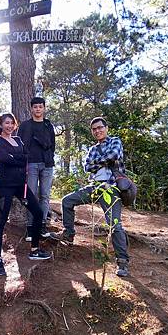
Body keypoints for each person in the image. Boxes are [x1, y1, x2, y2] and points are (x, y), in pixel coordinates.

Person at [53, 117, 130, 277]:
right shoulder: (92, 149)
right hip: (94, 187)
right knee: (67, 201)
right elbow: (87, 166)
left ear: (106, 128)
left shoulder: (115, 141)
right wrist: (103, 162)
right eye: (94, 129)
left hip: (111, 188)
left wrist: (99, 162)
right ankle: (69, 234)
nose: (97, 131)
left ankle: (122, 262)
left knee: (114, 225)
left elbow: (113, 156)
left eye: (100, 127)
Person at [0, 113, 52, 276]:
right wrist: (19, 158)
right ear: (1, 125)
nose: (9, 126)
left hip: (21, 186)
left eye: (12, 123)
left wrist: (16, 158)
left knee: (38, 212)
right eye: (6, 123)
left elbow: (27, 157)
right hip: (5, 185)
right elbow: (4, 159)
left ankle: (34, 249)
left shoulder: (18, 140)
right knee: (1, 220)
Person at [17, 96, 55, 241]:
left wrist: (50, 158)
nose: (38, 109)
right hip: (31, 164)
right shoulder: (25, 126)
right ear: (31, 109)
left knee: (45, 196)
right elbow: (20, 145)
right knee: (31, 196)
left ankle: (43, 224)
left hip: (47, 165)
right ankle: (31, 228)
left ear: (44, 108)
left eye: (40, 106)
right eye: (35, 107)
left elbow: (53, 145)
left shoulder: (48, 125)